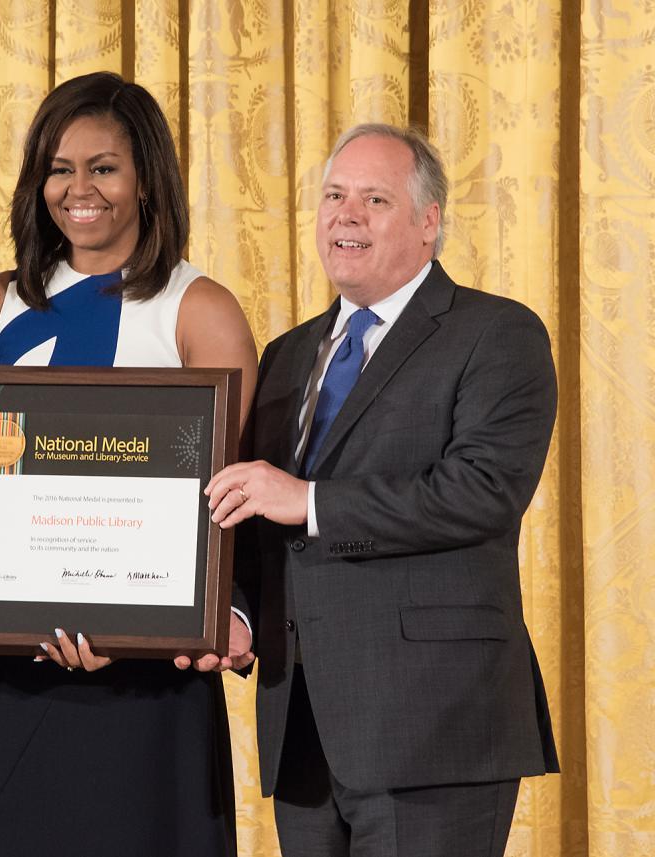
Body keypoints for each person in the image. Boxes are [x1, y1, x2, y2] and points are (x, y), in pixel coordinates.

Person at [0, 71, 259, 856]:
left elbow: (234, 508)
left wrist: (142, 624)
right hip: (1, 680)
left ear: (148, 178)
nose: (80, 189)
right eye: (59, 167)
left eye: (104, 167)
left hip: (143, 683)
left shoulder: (198, 308)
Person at [205, 124, 560, 857]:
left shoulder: (497, 334)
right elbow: (263, 520)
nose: (345, 215)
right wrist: (236, 610)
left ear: (429, 223)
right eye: (334, 196)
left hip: (433, 730)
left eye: (374, 199)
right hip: (302, 731)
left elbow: (482, 491)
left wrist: (311, 501)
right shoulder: (288, 354)